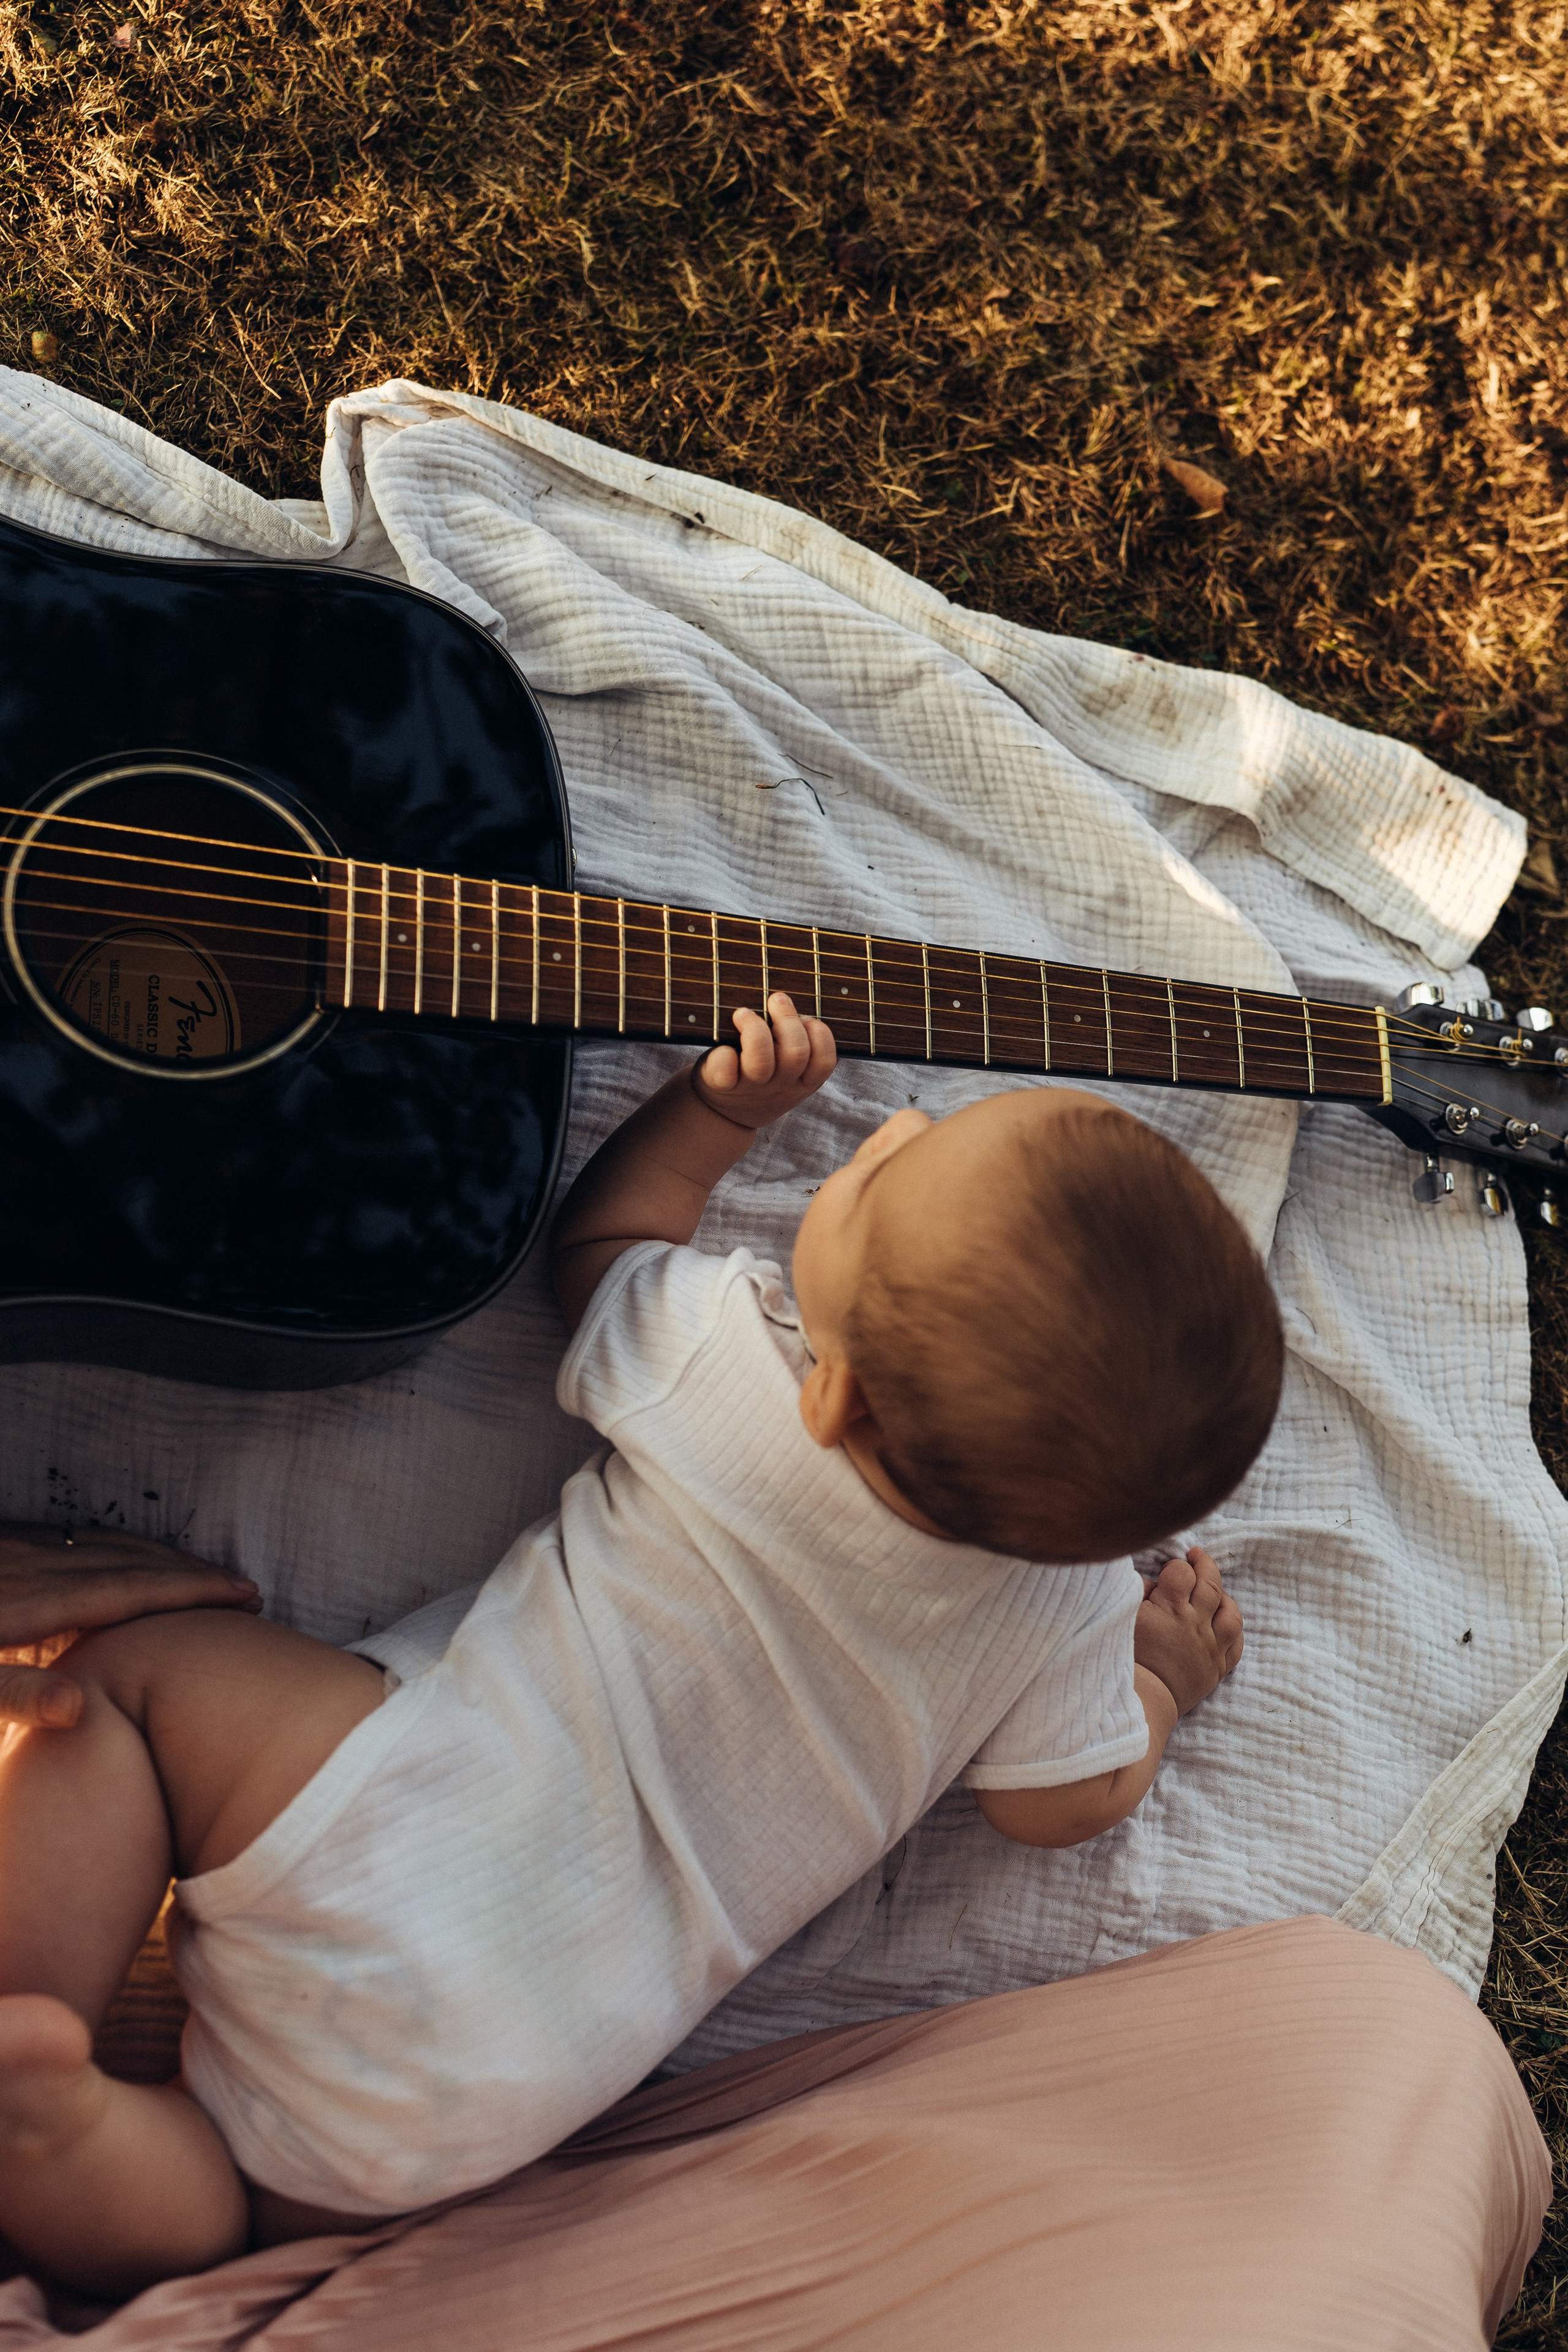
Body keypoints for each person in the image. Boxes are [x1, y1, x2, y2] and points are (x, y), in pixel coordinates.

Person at [0, 994, 1282, 2296]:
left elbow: (602, 1241)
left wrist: (712, 1112)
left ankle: (29, 1993)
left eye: (880, 1175)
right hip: (513, 2073)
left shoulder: (730, 1368)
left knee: (131, 1700)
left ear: (827, 1395)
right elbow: (1065, 1801)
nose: (891, 1126)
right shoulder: (1058, 1613)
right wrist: (1158, 1679)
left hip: (411, 1796)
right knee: (234, 2197)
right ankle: (65, 2129)